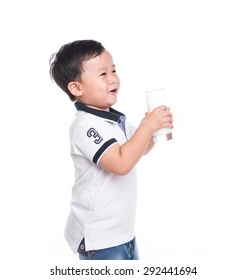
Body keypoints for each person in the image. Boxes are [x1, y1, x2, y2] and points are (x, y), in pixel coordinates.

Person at [49, 40, 174, 260]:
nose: (113, 78)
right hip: (100, 238)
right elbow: (121, 163)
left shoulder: (116, 120)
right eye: (103, 74)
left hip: (122, 233)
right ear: (76, 87)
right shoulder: (86, 126)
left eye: (113, 70)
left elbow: (139, 150)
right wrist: (147, 127)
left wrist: (155, 130)